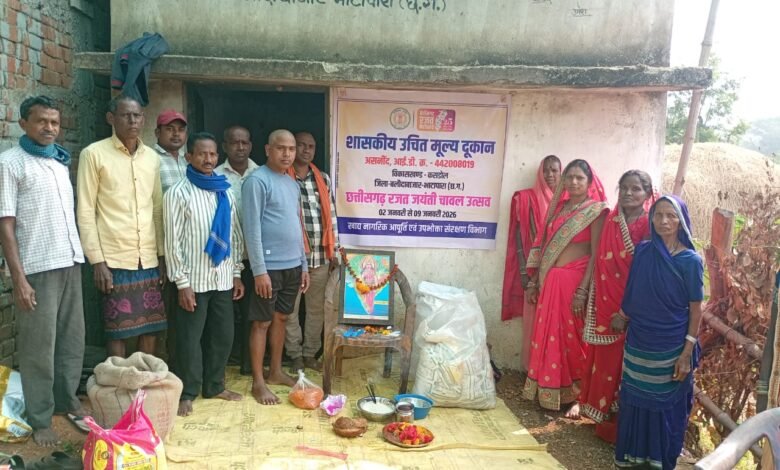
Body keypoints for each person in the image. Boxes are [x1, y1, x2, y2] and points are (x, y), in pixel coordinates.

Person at [0, 96, 88, 447]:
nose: (49, 128)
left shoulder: (57, 162)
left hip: (68, 261)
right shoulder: (10, 163)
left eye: (54, 121)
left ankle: (67, 403)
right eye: (41, 121)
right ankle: (40, 418)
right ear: (24, 123)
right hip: (36, 268)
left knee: (71, 340)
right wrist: (18, 278)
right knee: (38, 347)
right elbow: (6, 226)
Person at [614, 195, 703, 470]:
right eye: (659, 215)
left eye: (671, 216)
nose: (664, 221)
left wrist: (687, 351)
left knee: (665, 404)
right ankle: (633, 457)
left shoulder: (690, 261)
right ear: (651, 218)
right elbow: (634, 291)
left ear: (681, 221)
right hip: (640, 339)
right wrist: (624, 315)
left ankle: (659, 460)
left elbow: (696, 309)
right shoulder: (643, 251)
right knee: (635, 399)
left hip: (672, 343)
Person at [77, 94, 166, 358]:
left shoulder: (151, 157)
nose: (132, 120)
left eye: (137, 115)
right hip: (114, 259)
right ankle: (119, 385)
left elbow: (157, 208)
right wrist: (97, 261)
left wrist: (161, 255)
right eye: (126, 115)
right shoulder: (93, 154)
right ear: (111, 118)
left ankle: (143, 387)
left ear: (144, 119)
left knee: (150, 327)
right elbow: (85, 210)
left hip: (148, 257)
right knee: (117, 330)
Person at [164, 132, 245, 417]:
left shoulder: (226, 192)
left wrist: (236, 273)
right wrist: (181, 283)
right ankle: (187, 392)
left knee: (222, 336)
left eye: (212, 155)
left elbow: (235, 236)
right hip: (193, 282)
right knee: (189, 339)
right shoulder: (178, 193)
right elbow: (172, 242)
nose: (208, 159)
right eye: (202, 154)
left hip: (222, 278)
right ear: (190, 157)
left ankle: (214, 385)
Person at [522, 159, 608, 411]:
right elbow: (545, 244)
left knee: (574, 337)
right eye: (569, 177)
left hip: (574, 280)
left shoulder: (596, 211)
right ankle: (549, 390)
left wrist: (583, 289)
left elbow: (595, 253)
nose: (573, 182)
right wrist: (535, 281)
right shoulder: (557, 209)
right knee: (550, 335)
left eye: (580, 178)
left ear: (589, 182)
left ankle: (577, 396)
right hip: (551, 282)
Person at [578, 170, 653, 442]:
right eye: (624, 188)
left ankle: (622, 427)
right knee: (604, 360)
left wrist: (627, 309)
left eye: (636, 189)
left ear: (647, 193)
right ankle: (603, 417)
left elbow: (646, 271)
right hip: (605, 300)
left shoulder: (649, 225)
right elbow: (600, 259)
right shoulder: (611, 219)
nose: (629, 194)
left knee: (625, 364)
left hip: (632, 305)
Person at [242, 129, 310, 405]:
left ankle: (276, 371)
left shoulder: (291, 183)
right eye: (281, 148)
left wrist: (304, 264)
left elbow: (297, 226)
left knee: (282, 318)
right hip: (267, 268)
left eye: (291, 149)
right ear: (268, 149)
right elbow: (252, 227)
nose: (287, 154)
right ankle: (258, 382)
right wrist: (259, 270)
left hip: (293, 265)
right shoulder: (256, 181)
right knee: (262, 322)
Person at [284, 131, 338, 373]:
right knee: (290, 310)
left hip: (320, 256)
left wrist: (334, 251)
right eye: (301, 146)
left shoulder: (322, 178)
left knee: (317, 309)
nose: (306, 150)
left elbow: (332, 215)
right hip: (292, 258)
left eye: (311, 146)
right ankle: (293, 354)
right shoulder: (283, 178)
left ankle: (309, 354)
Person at [501, 155, 561, 372]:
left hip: (562, 276)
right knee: (535, 324)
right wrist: (527, 275)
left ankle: (553, 373)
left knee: (558, 327)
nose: (550, 175)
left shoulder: (568, 203)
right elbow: (519, 238)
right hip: (534, 274)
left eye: (554, 170)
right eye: (545, 170)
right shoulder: (527, 199)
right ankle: (534, 372)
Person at [215, 125, 259, 374]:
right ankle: (223, 363)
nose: (240, 147)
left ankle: (247, 365)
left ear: (251, 145)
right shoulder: (217, 175)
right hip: (224, 258)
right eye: (234, 143)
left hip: (254, 258)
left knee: (252, 313)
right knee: (225, 315)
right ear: (225, 146)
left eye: (244, 142)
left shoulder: (260, 173)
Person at [154, 109, 188, 372]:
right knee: (160, 312)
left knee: (182, 313)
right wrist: (160, 254)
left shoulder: (189, 163)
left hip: (188, 254)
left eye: (180, 129)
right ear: (157, 133)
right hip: (162, 249)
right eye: (169, 128)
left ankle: (178, 365)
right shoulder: (151, 161)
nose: (176, 134)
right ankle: (159, 366)